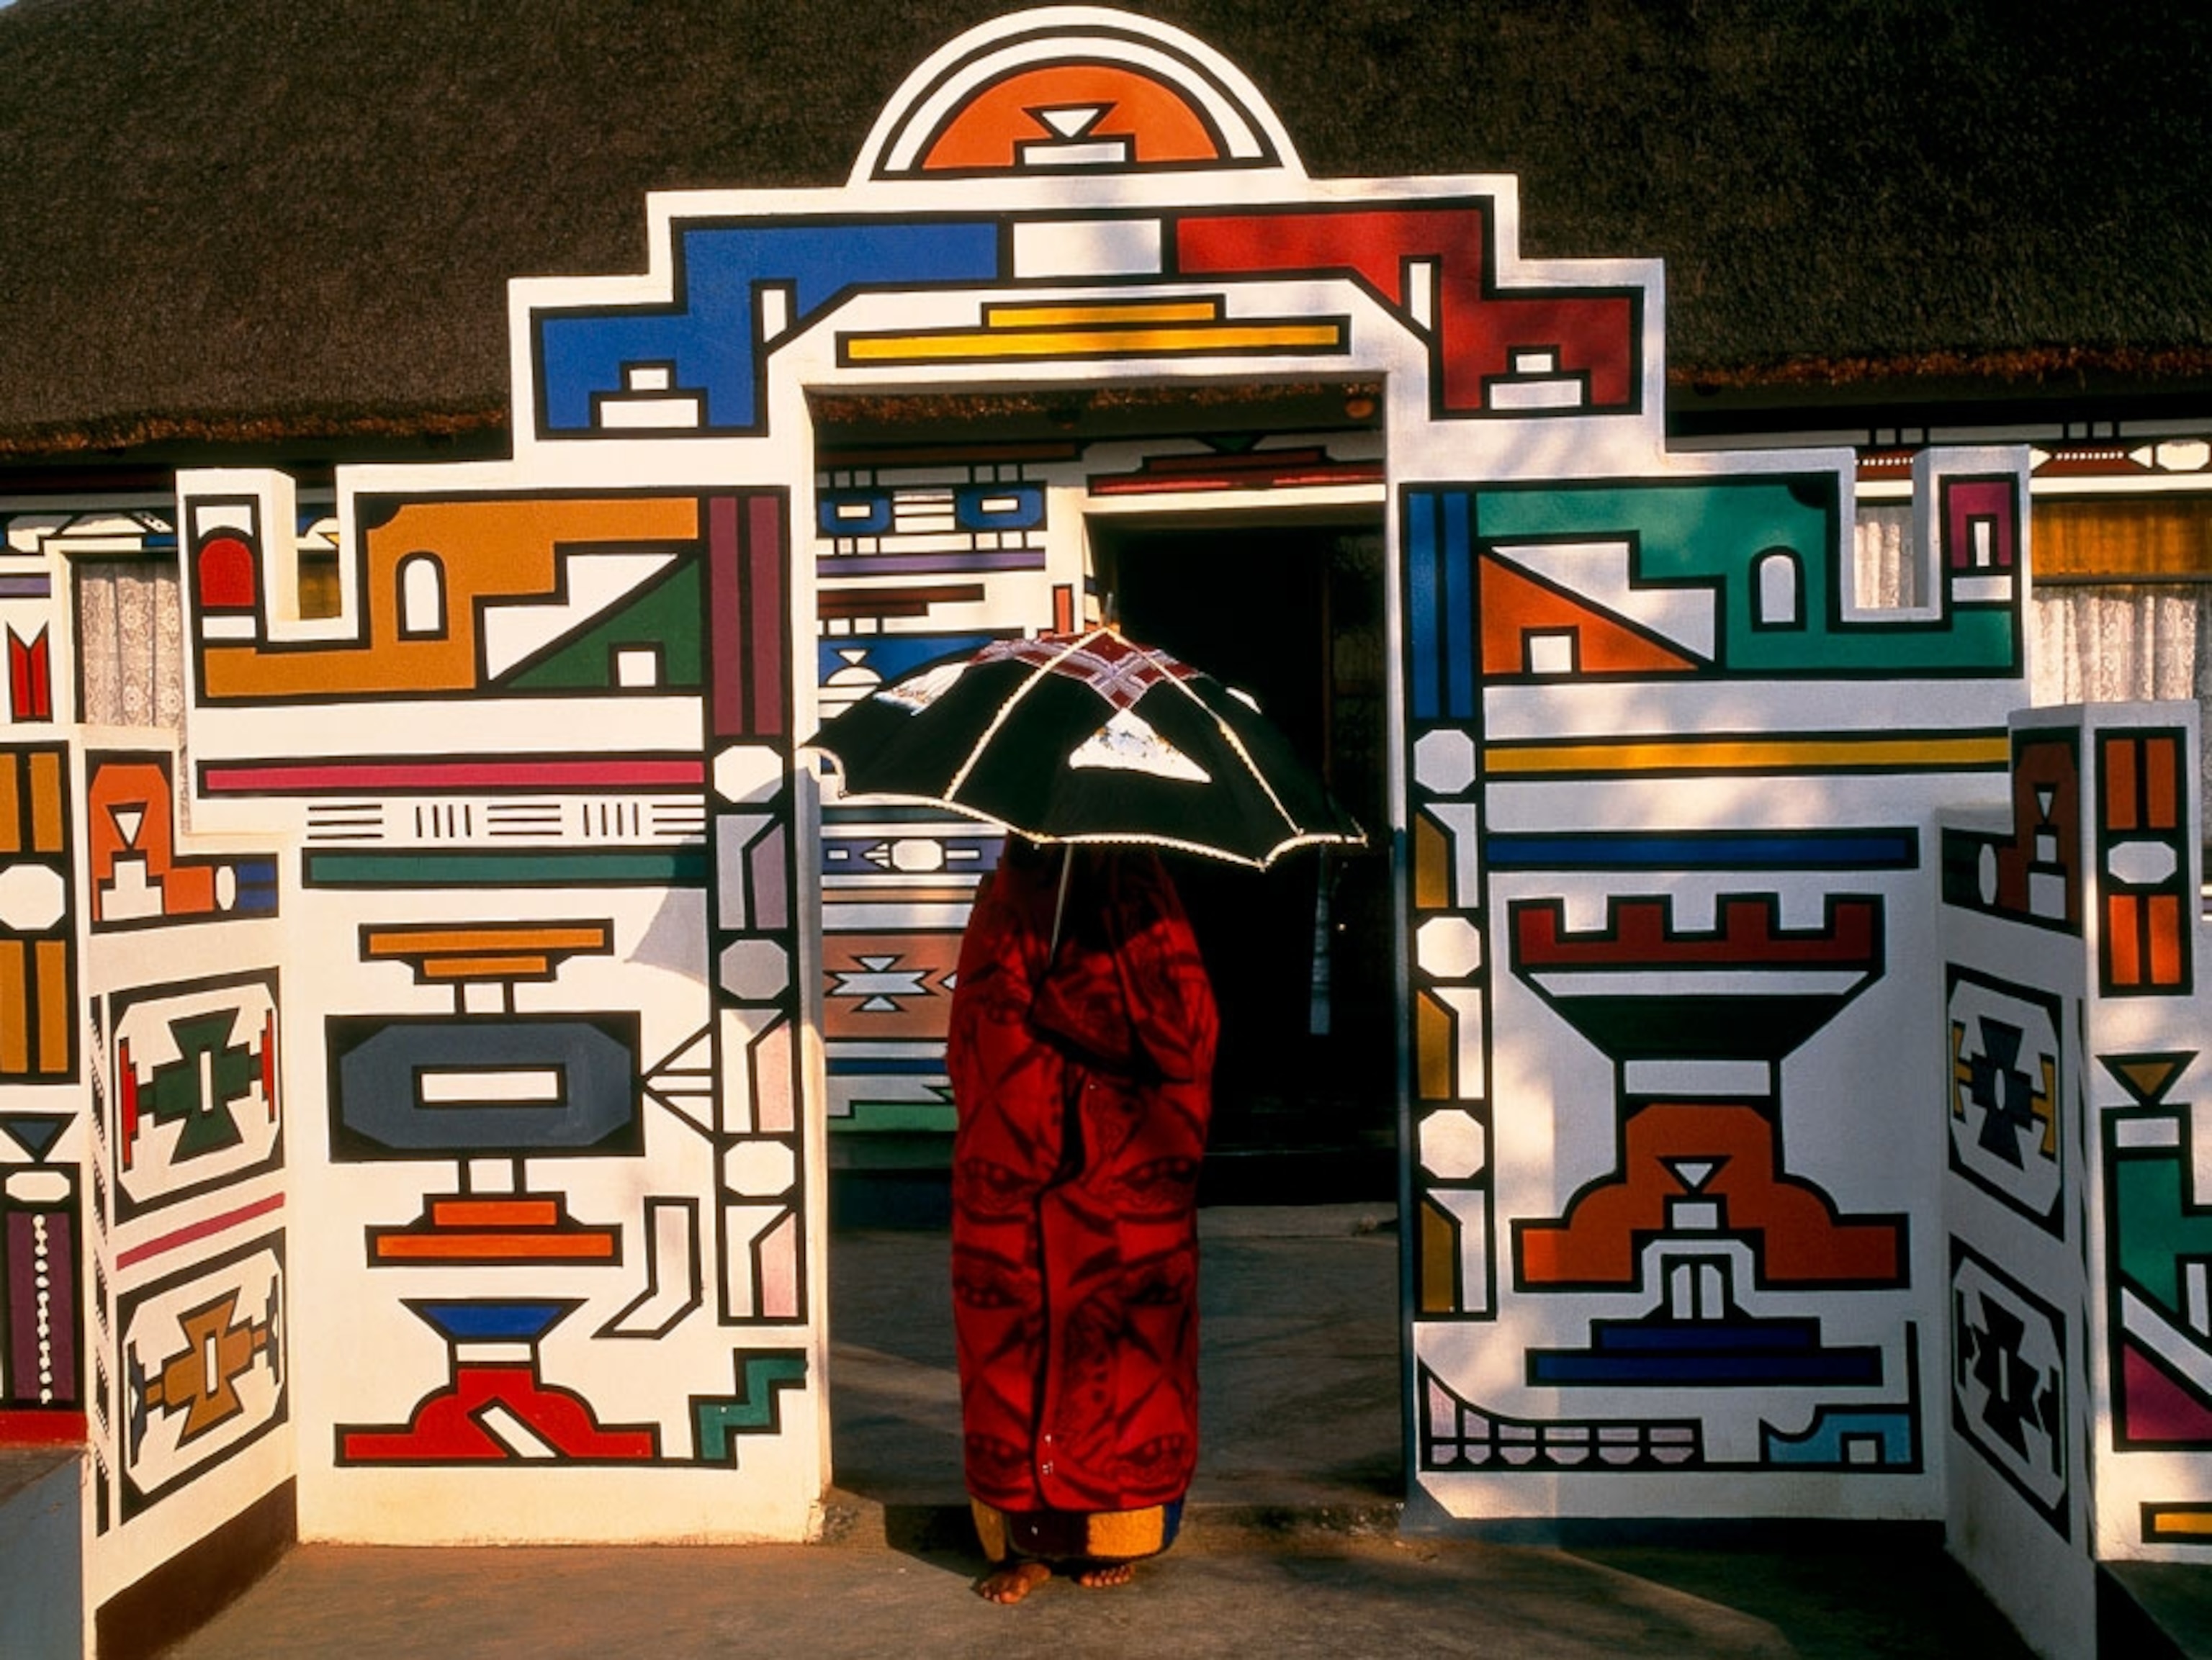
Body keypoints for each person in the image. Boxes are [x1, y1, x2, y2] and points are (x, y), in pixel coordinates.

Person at [945, 835, 1219, 1603]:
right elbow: (972, 1035)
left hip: (1122, 1170)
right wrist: (1031, 1026)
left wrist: (1085, 995)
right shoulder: (1004, 905)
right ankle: (1026, 1546)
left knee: (1125, 1353)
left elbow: (1186, 1035)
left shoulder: (1144, 900)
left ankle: (1115, 1532)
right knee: (1013, 1349)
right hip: (1014, 1174)